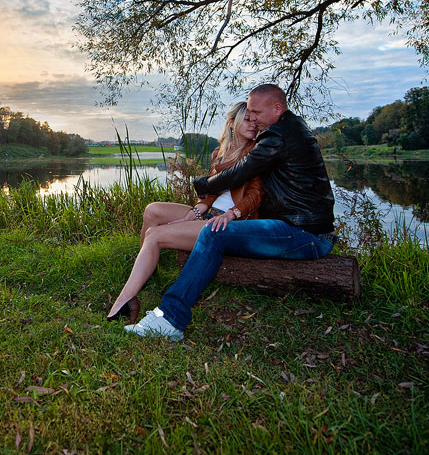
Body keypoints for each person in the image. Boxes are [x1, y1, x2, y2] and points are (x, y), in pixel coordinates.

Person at [125, 83, 336, 340]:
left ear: (278, 108)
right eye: (249, 113)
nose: (253, 118)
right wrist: (205, 203)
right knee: (213, 230)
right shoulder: (292, 128)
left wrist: (203, 186)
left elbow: (242, 172)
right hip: (298, 228)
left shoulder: (277, 136)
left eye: (256, 113)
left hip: (302, 233)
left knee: (215, 232)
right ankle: (159, 303)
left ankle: (170, 319)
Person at [106, 102, 263, 322]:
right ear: (231, 122)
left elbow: (256, 194)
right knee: (152, 210)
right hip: (211, 213)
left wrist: (232, 213)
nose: (253, 125)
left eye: (255, 121)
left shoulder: (257, 152)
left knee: (155, 236)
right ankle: (145, 271)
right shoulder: (219, 153)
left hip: (230, 222)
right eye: (247, 119)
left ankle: (126, 298)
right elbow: (213, 189)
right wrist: (201, 206)